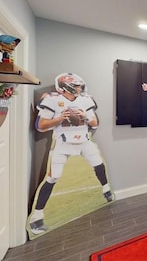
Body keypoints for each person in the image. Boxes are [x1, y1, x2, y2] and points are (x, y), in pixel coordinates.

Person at [29, 73, 113, 235]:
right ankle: (37, 217)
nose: (79, 88)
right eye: (76, 86)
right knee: (52, 177)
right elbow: (40, 125)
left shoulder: (85, 100)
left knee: (98, 163)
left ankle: (106, 190)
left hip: (83, 139)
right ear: (65, 86)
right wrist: (59, 118)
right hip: (63, 142)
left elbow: (95, 122)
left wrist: (85, 117)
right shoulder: (52, 100)